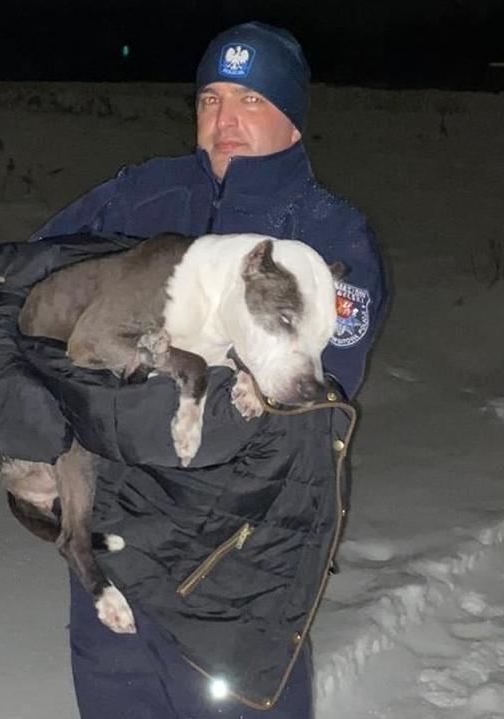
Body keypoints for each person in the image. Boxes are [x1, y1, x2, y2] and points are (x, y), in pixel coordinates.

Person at [30, 20, 392, 719]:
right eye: (210, 99)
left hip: (235, 574)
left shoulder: (325, 238)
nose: (223, 120)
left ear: (292, 119)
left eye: (250, 101)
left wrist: (109, 386)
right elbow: (38, 282)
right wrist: (31, 402)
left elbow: (308, 404)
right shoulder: (141, 197)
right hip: (115, 553)